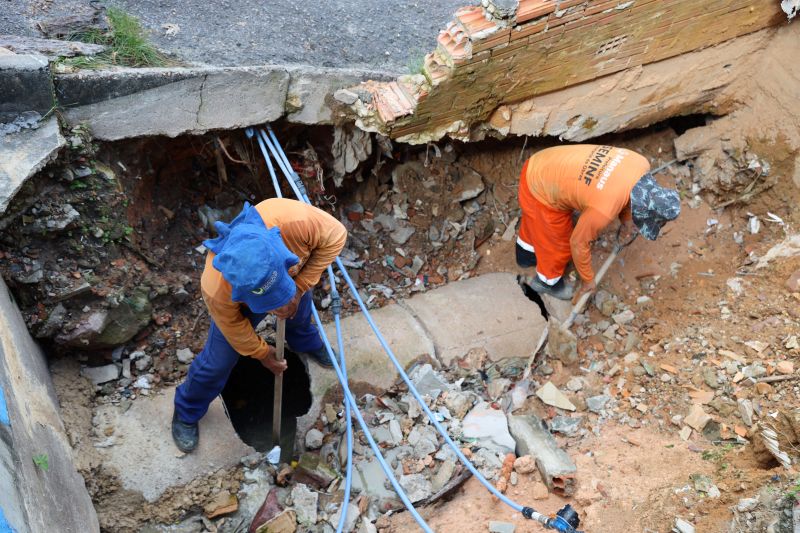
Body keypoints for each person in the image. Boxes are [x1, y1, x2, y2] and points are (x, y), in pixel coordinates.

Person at [172, 198, 347, 453]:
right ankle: (187, 410)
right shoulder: (217, 286)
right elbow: (234, 329)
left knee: (299, 314)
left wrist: (298, 289)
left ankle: (307, 343)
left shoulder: (297, 223)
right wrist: (263, 354)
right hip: (244, 301)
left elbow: (336, 238)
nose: (278, 308)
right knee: (218, 360)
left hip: (295, 277)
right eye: (271, 304)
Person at [516, 144, 680, 301]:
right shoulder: (603, 210)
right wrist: (588, 280)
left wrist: (627, 220)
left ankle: (525, 255)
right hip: (539, 188)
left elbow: (625, 190)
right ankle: (546, 283)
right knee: (558, 243)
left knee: (537, 224)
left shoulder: (640, 163)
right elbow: (578, 243)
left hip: (544, 162)